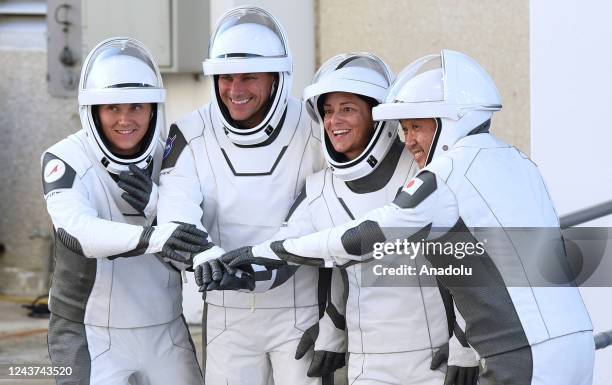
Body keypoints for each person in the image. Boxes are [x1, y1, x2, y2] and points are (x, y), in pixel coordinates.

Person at [207, 49, 596, 385]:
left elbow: (364, 238)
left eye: (416, 126)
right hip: (575, 341)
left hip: (517, 351)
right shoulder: (516, 160)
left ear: (450, 119)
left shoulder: (442, 177)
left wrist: (270, 250)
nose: (408, 139)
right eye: (404, 127)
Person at [200, 51, 480, 385]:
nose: (334, 121)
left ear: (378, 117)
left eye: (347, 109)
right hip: (367, 363)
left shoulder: (422, 170)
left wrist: (465, 343)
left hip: (435, 359)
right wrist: (240, 276)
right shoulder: (320, 190)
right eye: (328, 111)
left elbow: (469, 261)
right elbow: (287, 250)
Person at [156, 6, 333, 385]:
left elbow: (329, 208)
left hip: (301, 309)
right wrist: (202, 253)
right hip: (225, 310)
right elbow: (176, 205)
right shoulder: (189, 131)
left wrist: (334, 319)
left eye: (249, 78)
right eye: (225, 77)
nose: (235, 90)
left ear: (276, 78)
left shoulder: (315, 128)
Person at [41, 37, 207, 385]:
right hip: (89, 329)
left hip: (164, 325)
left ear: (153, 109)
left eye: (136, 106)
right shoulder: (63, 158)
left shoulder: (173, 157)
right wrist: (157, 234)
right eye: (112, 108)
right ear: (94, 111)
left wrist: (156, 207)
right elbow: (78, 231)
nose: (125, 119)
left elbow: (194, 246)